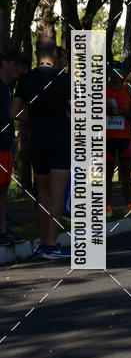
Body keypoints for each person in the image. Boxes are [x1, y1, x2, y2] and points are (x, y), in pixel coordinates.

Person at [10, 37, 71, 260]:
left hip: (38, 139)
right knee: (57, 194)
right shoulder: (64, 79)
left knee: (42, 193)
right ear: (55, 53)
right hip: (60, 139)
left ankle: (43, 242)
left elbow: (14, 112)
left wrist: (33, 118)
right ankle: (52, 245)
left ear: (36, 54)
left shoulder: (26, 79)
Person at [0, 50, 27, 244]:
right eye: (15, 63)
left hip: (5, 144)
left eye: (21, 65)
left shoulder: (7, 88)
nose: (19, 68)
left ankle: (2, 230)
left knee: (2, 188)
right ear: (4, 63)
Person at [106, 61, 131, 219]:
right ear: (108, 73)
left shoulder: (128, 90)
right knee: (107, 175)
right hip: (106, 138)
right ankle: (107, 207)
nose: (115, 73)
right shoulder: (101, 90)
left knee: (126, 174)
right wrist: (106, 112)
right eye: (112, 70)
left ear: (122, 73)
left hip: (124, 138)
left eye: (118, 70)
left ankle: (128, 206)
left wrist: (123, 114)